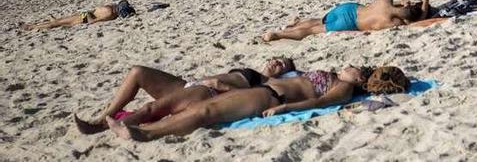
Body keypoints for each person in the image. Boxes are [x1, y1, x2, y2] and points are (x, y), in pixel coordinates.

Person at [105, 66, 410, 142]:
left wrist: (283, 109)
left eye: (356, 68)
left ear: (364, 79)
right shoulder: (338, 78)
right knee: (200, 107)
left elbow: (317, 102)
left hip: (269, 97)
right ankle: (135, 124)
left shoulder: (343, 88)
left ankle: (147, 134)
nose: (350, 65)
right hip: (264, 89)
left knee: (206, 112)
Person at [74, 57, 296, 134]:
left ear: (286, 73)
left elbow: (245, 101)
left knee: (149, 109)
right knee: (138, 72)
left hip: (207, 93)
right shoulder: (254, 71)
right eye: (278, 59)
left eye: (283, 65)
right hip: (189, 85)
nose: (277, 62)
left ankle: (106, 127)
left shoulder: (263, 83)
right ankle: (106, 116)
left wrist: (221, 86)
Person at [262, 0, 432, 41]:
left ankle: (292, 26)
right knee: (313, 31)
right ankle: (278, 34)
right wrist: (424, 5)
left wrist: (417, 0)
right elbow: (419, 21)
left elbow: (402, 7)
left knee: (317, 20)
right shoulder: (392, 23)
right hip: (351, 23)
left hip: (349, 9)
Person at [21, 0, 136, 31]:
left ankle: (33, 27)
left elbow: (93, 21)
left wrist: (86, 16)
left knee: (57, 24)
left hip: (85, 18)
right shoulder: (112, 8)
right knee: (60, 20)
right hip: (85, 14)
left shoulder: (110, 13)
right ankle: (44, 23)